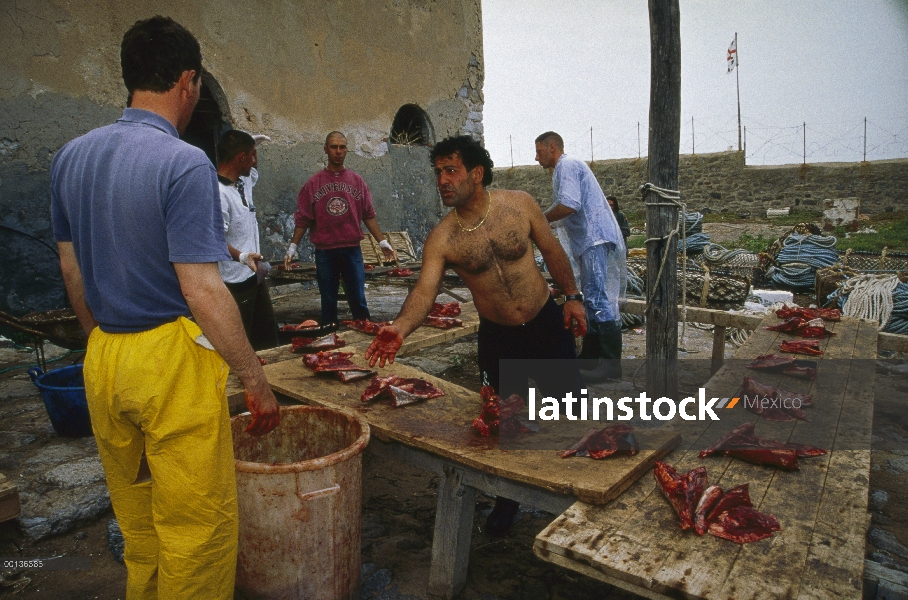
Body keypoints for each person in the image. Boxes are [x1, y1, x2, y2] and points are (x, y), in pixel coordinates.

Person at [49, 16, 280, 599]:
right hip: (167, 361)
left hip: (103, 357)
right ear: (188, 81)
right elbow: (201, 286)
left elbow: (71, 268)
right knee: (196, 527)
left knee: (140, 517)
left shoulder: (70, 158)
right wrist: (254, 377)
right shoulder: (183, 162)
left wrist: (98, 336)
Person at [365, 135, 586, 536]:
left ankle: (578, 495)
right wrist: (398, 328)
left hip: (545, 324)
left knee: (569, 411)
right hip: (499, 339)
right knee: (502, 425)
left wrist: (572, 298)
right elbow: (423, 291)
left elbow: (553, 251)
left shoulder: (519, 204)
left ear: (476, 173)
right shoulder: (443, 237)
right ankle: (507, 500)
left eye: (451, 170)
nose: (442, 180)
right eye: (438, 173)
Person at [535, 131, 627, 382]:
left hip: (595, 238)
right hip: (588, 241)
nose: (536, 158)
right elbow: (566, 211)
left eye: (539, 151)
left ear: (552, 147)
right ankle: (590, 356)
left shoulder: (568, 165)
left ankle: (610, 364)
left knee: (598, 297)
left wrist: (539, 219)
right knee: (591, 296)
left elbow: (569, 205)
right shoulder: (562, 170)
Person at [284, 131, 395, 326]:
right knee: (328, 302)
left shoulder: (357, 181)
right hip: (325, 252)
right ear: (326, 149)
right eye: (334, 147)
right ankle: (328, 345)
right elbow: (304, 219)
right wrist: (292, 248)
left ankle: (364, 340)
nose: (338, 151)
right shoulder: (313, 183)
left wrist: (382, 242)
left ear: (347, 150)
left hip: (352, 250)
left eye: (342, 147)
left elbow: (368, 214)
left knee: (358, 300)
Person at [216, 129, 279, 350]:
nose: (255, 161)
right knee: (240, 344)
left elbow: (253, 170)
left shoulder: (243, 182)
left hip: (254, 276)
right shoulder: (219, 194)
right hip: (233, 282)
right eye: (252, 155)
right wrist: (242, 257)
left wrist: (253, 145)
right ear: (240, 157)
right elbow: (213, 240)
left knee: (267, 340)